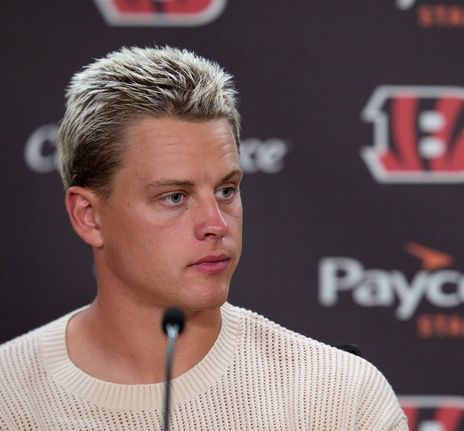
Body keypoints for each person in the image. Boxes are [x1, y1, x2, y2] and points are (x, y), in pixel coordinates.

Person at [0, 46, 407, 430]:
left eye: (226, 190)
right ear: (89, 216)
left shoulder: (337, 396)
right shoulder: (9, 396)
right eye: (174, 197)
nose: (216, 223)